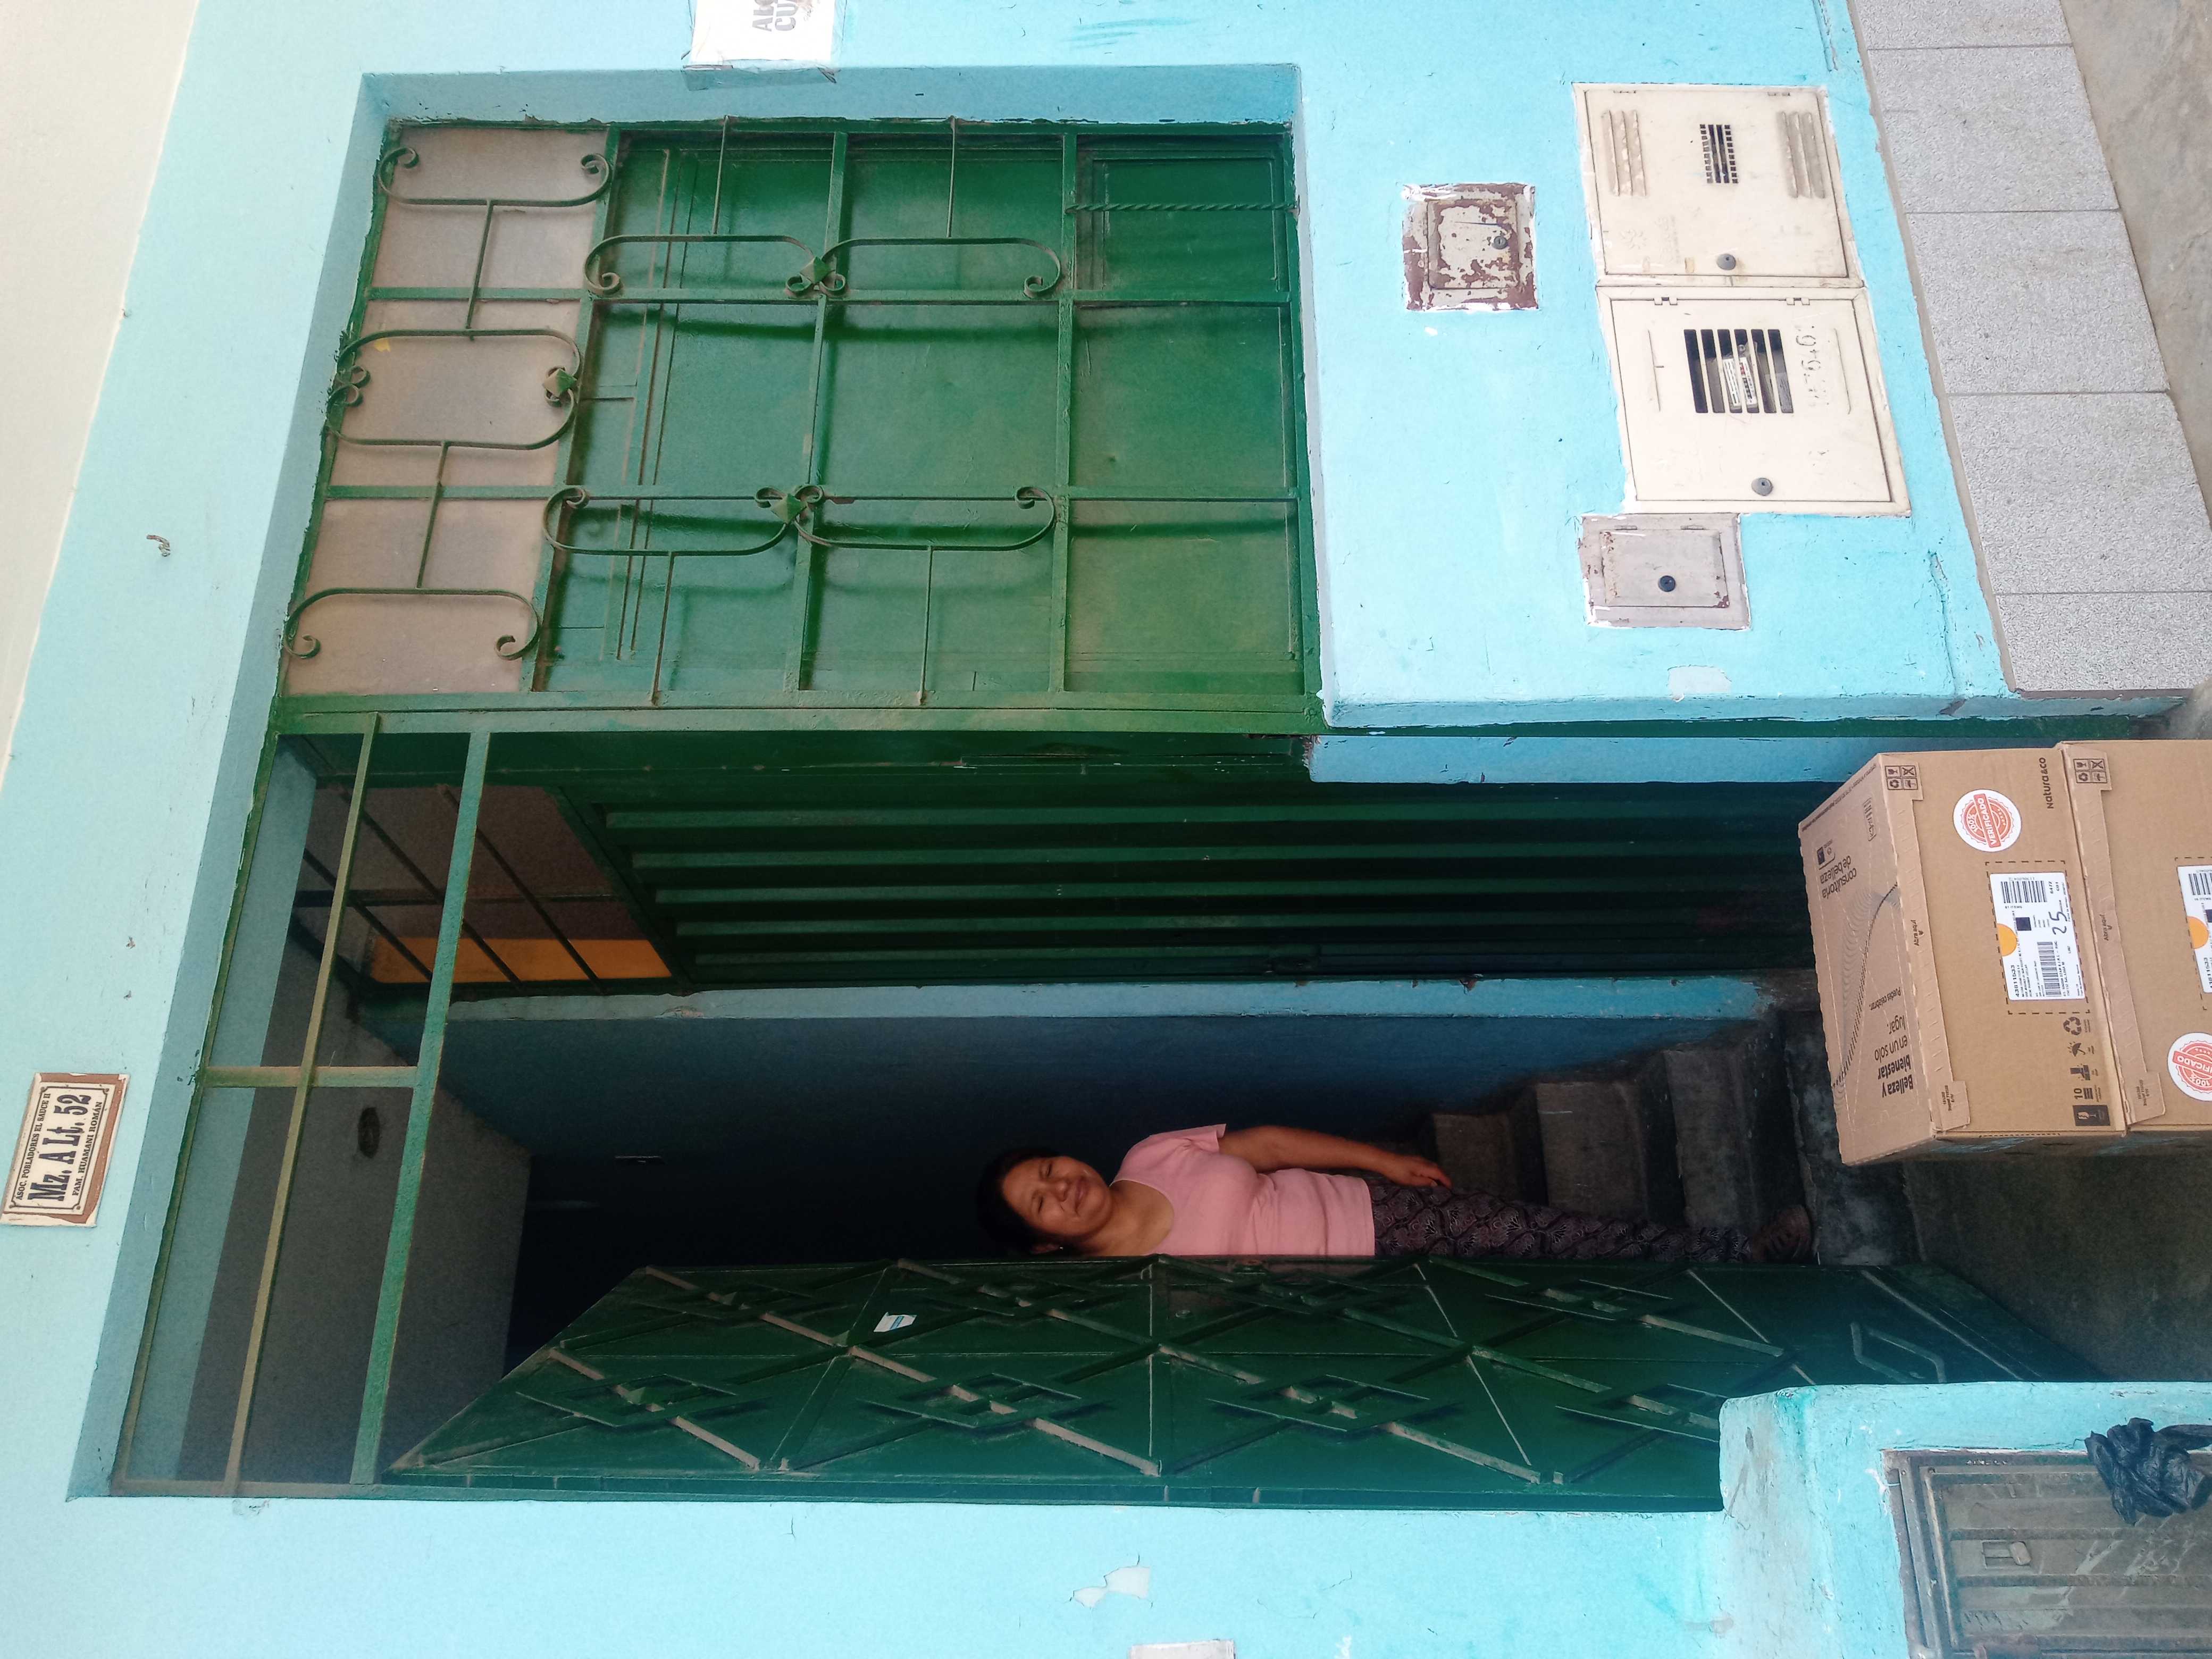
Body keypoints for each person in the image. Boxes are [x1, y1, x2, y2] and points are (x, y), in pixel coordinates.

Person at [974, 1123, 1811, 1263]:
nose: (1062, 1188)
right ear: (1045, 1243)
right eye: (1041, 1202)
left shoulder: (1151, 1154)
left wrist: (1382, 1162)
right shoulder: (1129, 1296)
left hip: (1383, 1216)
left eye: (1049, 1170)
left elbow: (1269, 1146)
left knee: (1551, 1236)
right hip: (1370, 1306)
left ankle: (1739, 1251)